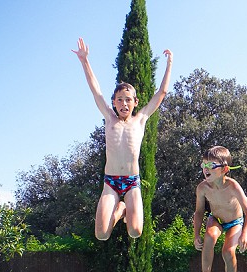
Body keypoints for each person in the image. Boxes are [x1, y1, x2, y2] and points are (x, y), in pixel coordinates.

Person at [72, 38, 173, 240]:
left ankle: (125, 207)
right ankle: (119, 211)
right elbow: (95, 90)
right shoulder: (109, 118)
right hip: (110, 181)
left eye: (128, 100)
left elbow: (161, 93)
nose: (124, 103)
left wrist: (169, 64)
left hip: (132, 181)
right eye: (119, 100)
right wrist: (84, 61)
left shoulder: (140, 120)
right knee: (101, 234)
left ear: (135, 102)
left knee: (135, 232)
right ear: (114, 103)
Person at [192, 146, 247, 272]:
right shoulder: (202, 188)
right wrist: (196, 234)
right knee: (209, 237)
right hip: (216, 219)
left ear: (225, 169)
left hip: (235, 222)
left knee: (228, 252)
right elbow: (199, 212)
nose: (206, 169)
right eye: (204, 165)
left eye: (211, 166)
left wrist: (246, 234)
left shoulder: (233, 186)